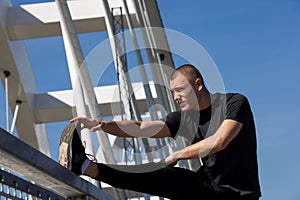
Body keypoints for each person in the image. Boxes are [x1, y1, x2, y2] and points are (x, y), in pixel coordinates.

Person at [59, 64, 261, 200]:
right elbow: (140, 127)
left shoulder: (234, 103)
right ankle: (84, 166)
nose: (175, 97)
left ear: (198, 85)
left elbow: (220, 141)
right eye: (172, 92)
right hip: (207, 187)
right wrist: (101, 124)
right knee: (158, 174)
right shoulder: (185, 118)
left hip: (239, 195)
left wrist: (178, 154)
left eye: (179, 90)